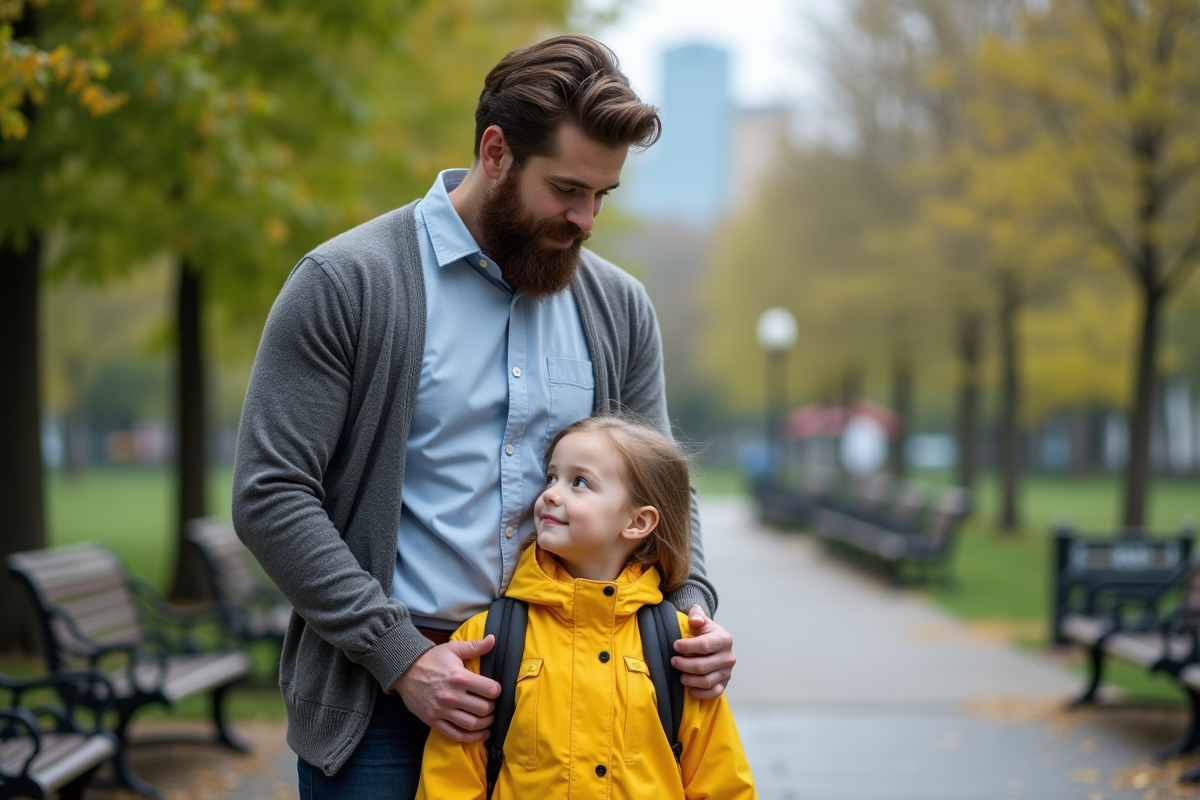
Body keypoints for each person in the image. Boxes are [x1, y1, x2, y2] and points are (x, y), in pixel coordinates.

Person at [231, 34, 737, 799]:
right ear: (495, 152)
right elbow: (270, 494)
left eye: (602, 195)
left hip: (582, 707)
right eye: (567, 189)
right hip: (384, 707)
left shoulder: (619, 307)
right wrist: (402, 657)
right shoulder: (346, 284)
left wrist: (693, 612)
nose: (586, 219)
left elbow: (662, 492)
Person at [415, 417, 757, 800]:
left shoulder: (680, 648)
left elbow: (722, 783)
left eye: (579, 482)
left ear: (638, 521)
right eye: (551, 477)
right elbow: (450, 783)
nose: (550, 494)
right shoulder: (486, 639)